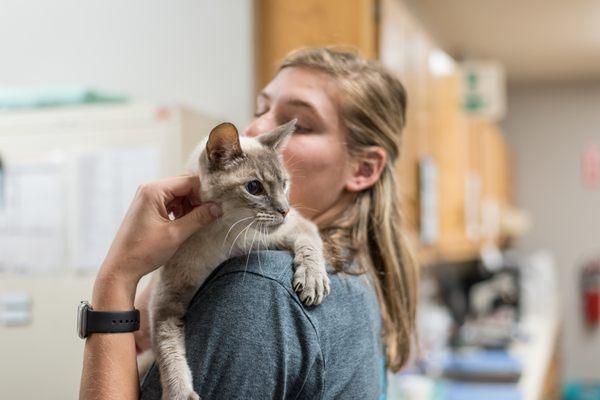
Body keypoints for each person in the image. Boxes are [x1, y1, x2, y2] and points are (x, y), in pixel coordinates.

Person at [79, 47, 417, 399]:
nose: (255, 129)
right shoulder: (354, 272)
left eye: (298, 124)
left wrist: (116, 278)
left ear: (363, 169)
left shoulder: (260, 286)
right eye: (260, 109)